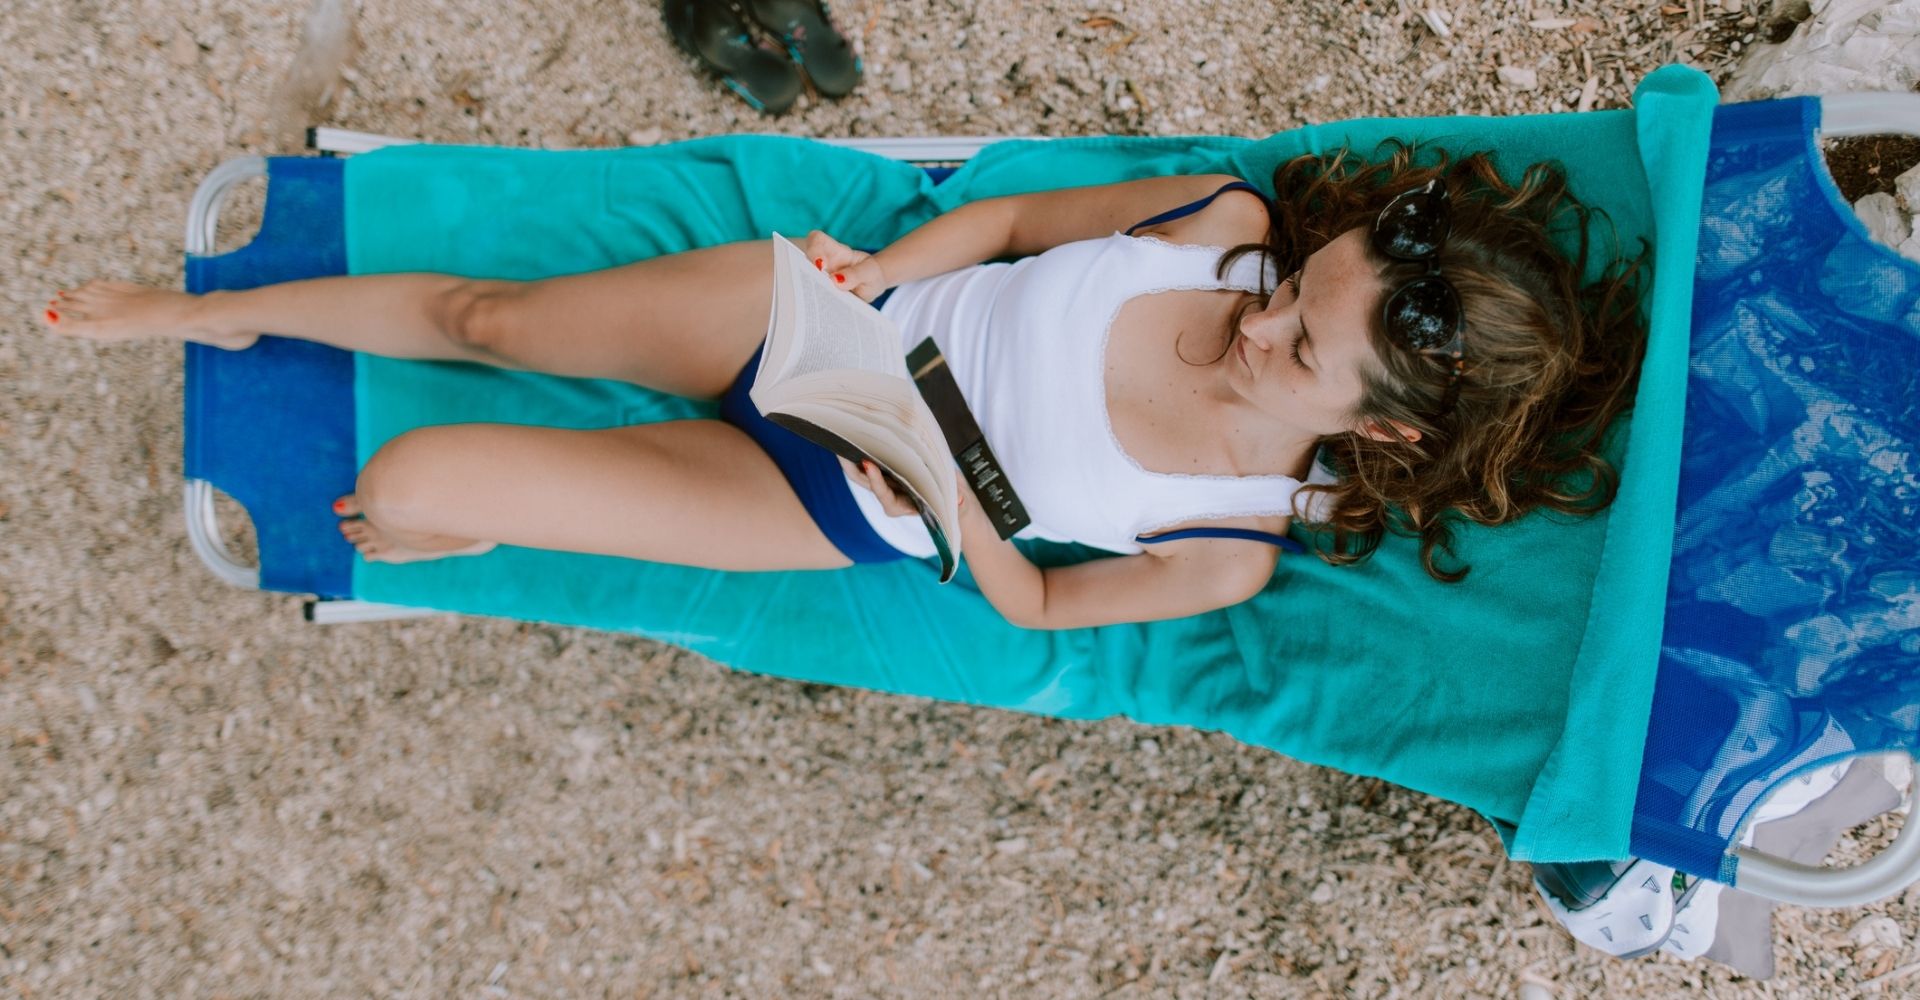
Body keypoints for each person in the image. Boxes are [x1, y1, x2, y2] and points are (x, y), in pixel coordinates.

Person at [40, 144, 1646, 629]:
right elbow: (1014, 220)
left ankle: (467, 526)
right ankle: (231, 314)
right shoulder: (1215, 229)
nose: (1262, 317)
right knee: (496, 318)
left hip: (849, 496)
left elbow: (1033, 607)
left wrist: (953, 518)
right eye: (1301, 285)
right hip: (815, 327)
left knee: (403, 494)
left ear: (1377, 428)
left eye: (1300, 346)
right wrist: (889, 271)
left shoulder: (1231, 536)